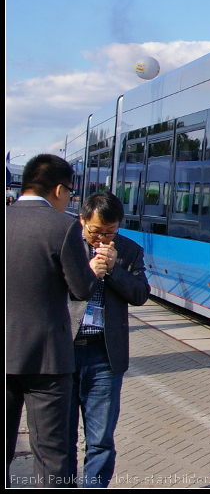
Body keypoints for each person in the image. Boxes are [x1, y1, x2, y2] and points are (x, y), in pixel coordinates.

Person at [6, 154, 98, 487]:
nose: (70, 199)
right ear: (59, 189)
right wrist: (95, 269)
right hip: (47, 360)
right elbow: (80, 289)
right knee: (51, 454)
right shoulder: (63, 226)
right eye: (71, 193)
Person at [68, 193, 149, 488]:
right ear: (82, 220)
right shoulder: (66, 247)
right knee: (62, 437)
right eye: (95, 231)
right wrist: (87, 276)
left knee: (100, 438)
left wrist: (114, 270)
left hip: (104, 355)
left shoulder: (128, 251)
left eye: (110, 232)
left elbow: (140, 294)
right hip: (63, 352)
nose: (102, 238)